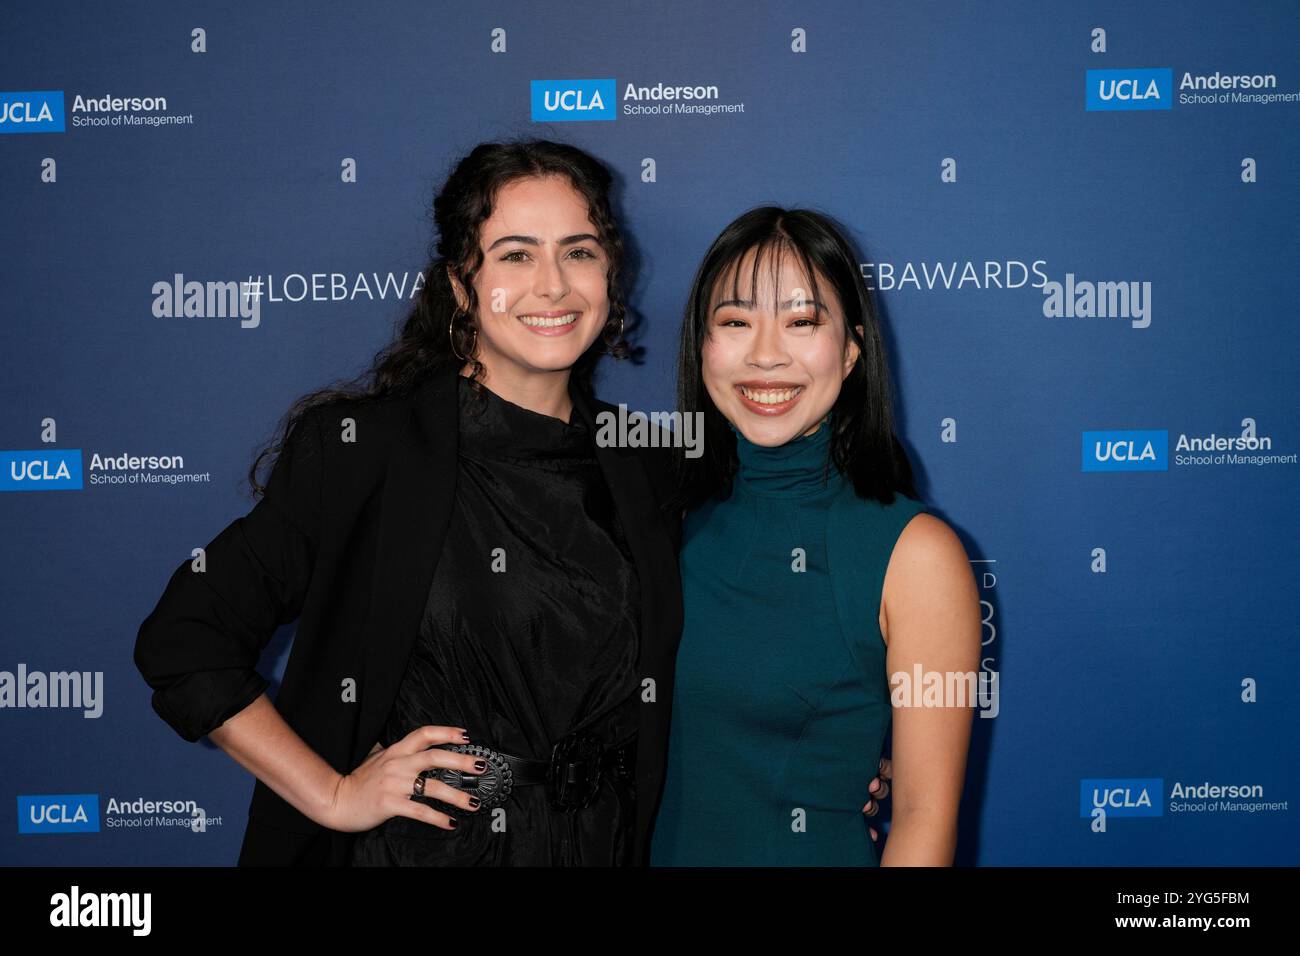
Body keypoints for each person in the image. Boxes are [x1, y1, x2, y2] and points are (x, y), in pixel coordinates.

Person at [133, 139, 686, 865]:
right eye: (516, 255)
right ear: (461, 282)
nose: (553, 285)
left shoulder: (649, 464)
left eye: (578, 252)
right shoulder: (367, 452)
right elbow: (186, 637)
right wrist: (331, 794)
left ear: (611, 273)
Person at [648, 206, 981, 866]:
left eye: (801, 321)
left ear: (853, 347)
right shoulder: (656, 516)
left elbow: (922, 819)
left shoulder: (915, 555)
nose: (767, 355)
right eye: (736, 322)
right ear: (701, 346)